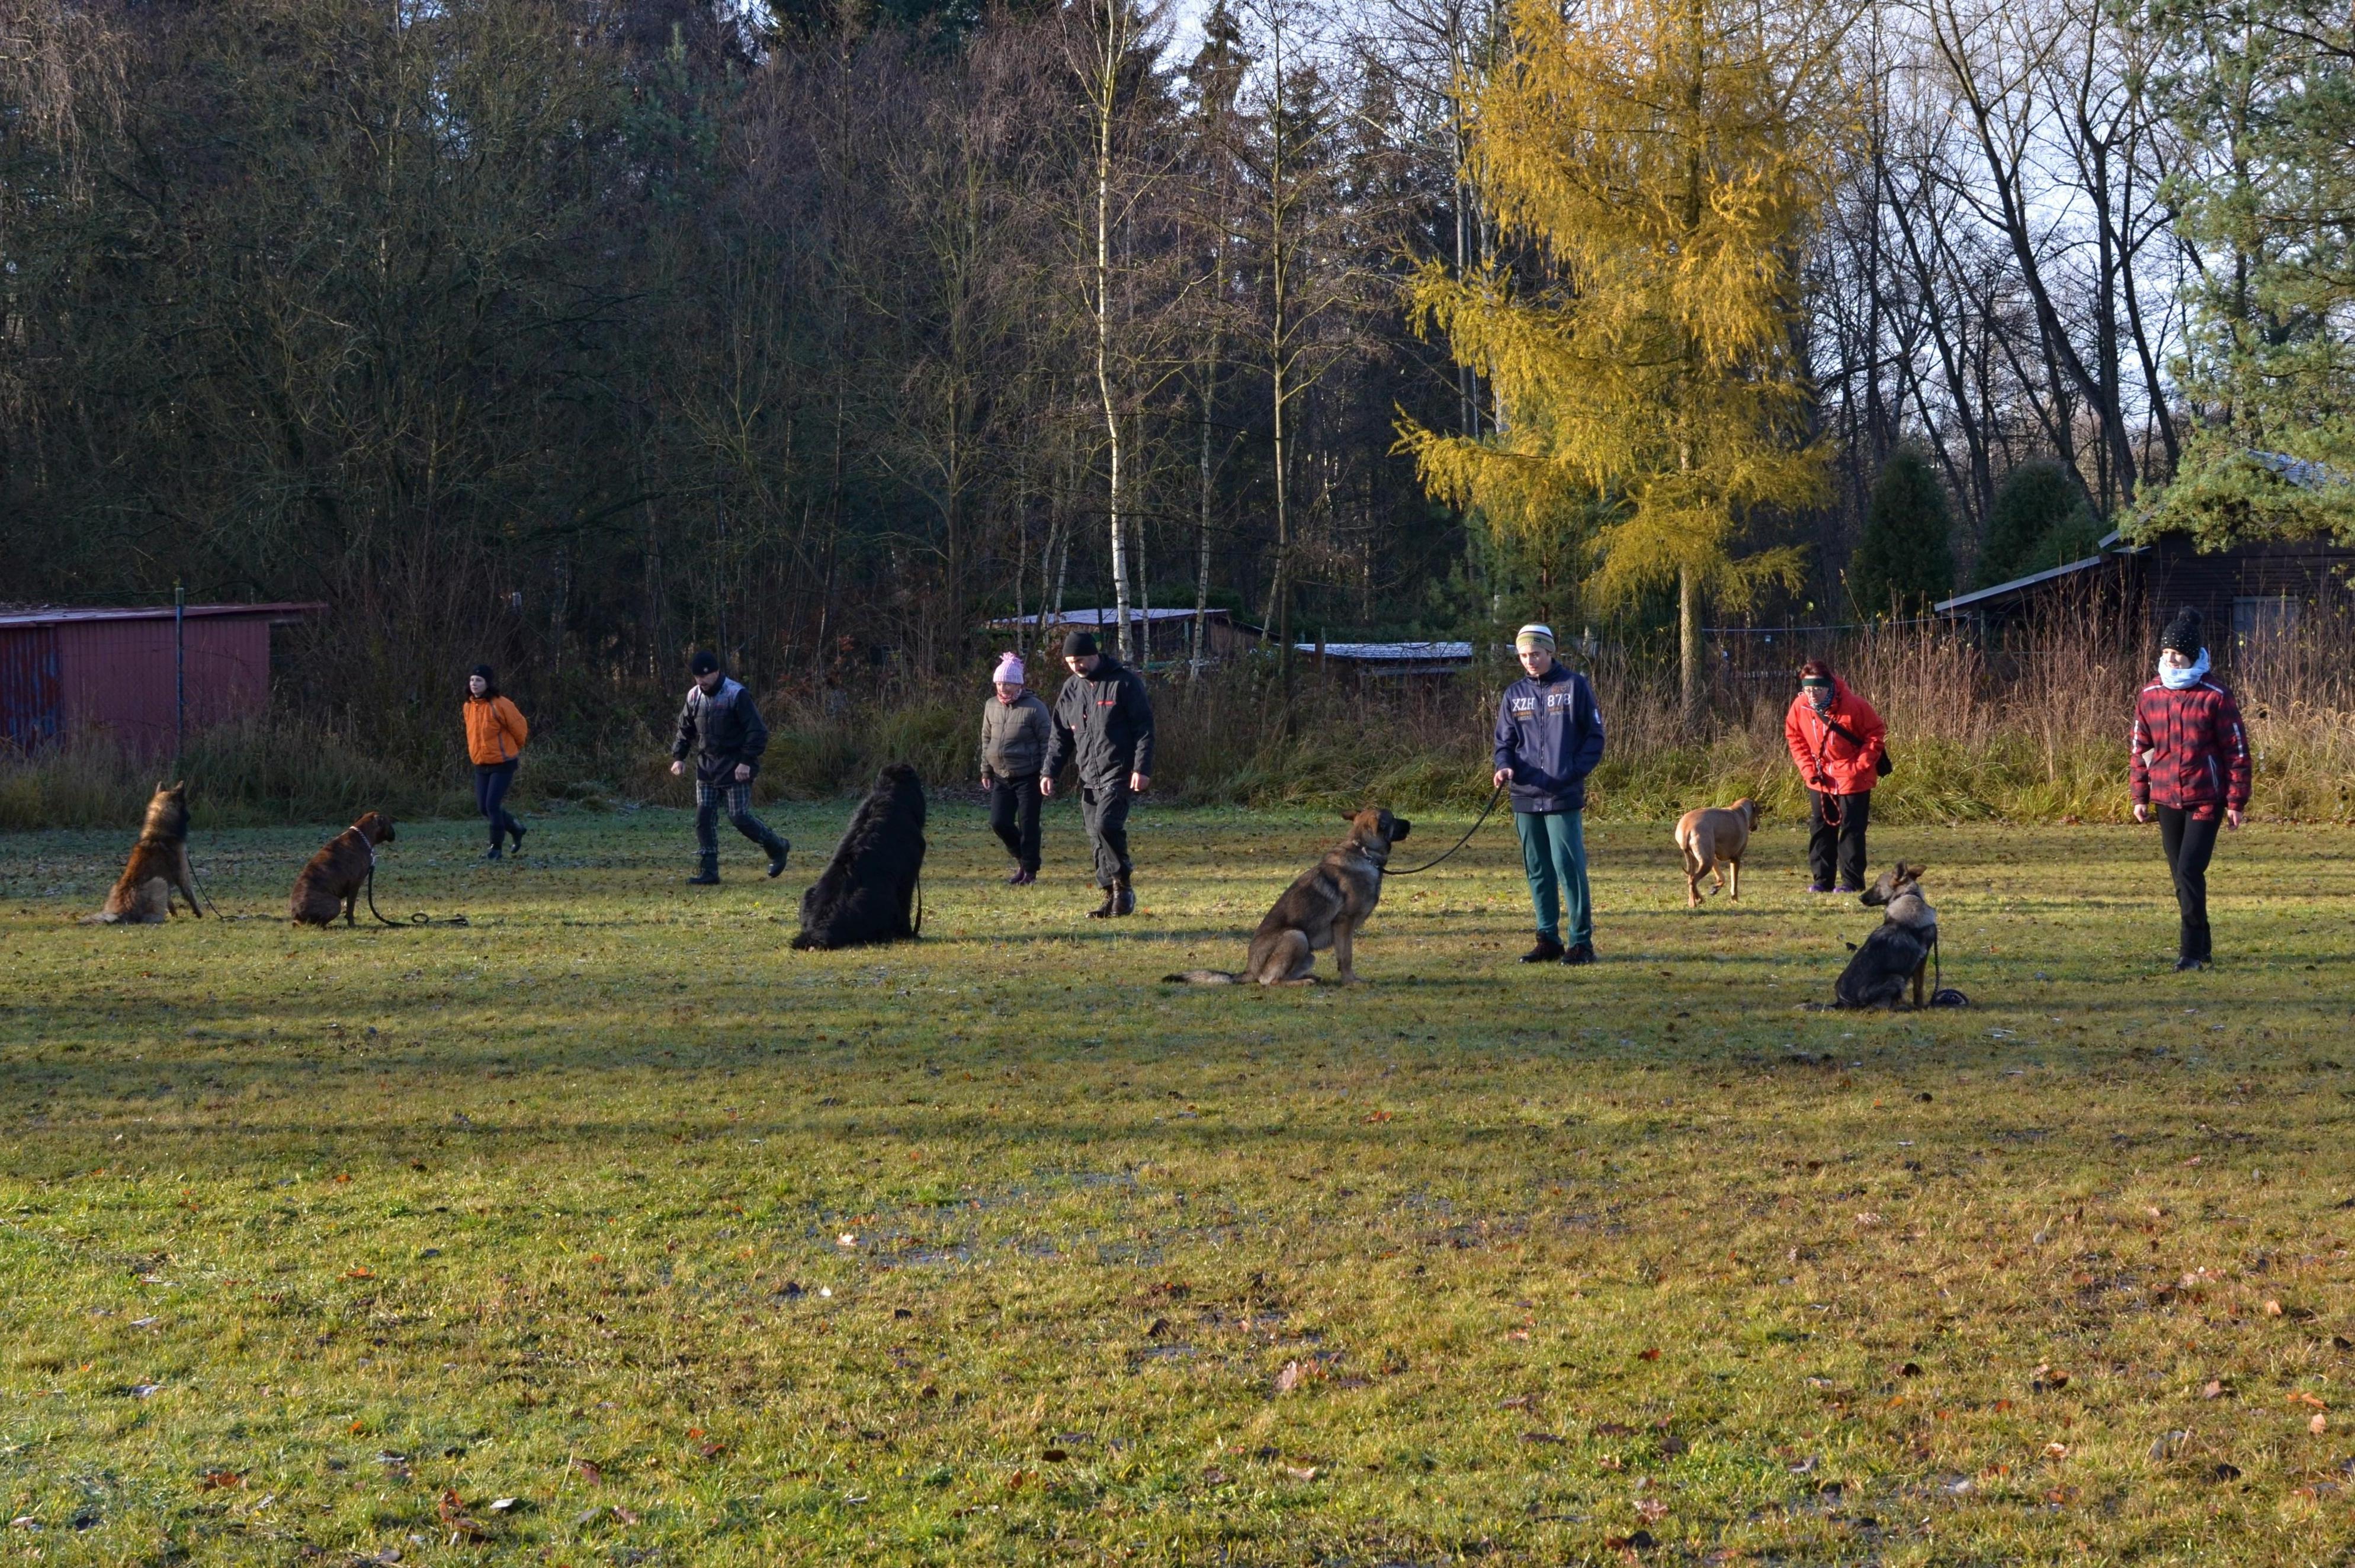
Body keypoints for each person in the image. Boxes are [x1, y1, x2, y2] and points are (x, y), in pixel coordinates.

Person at [2131, 606, 2249, 971]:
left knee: (2189, 872)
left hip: (2206, 798)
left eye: (2176, 654)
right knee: (2180, 877)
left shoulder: (2216, 695)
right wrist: (2140, 794)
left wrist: (2236, 800)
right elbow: (2142, 747)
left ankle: (2190, 954)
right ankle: (2204, 946)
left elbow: (2236, 750)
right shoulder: (2150, 694)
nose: (2169, 660)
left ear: (2194, 656)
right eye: (2165, 653)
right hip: (2166, 797)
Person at [1492, 624, 1606, 965]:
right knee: (1538, 869)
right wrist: (1503, 766)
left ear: (1550, 651)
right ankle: (1548, 939)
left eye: (1536, 654)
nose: (1530, 661)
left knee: (1568, 867)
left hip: (1562, 796)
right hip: (1524, 795)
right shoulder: (1513, 694)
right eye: (1524, 655)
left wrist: (1571, 773)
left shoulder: (1575, 686)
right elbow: (1504, 743)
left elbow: (1595, 738)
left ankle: (1580, 943)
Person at [1041, 629, 1154, 917]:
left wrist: (1141, 769)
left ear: (1095, 654)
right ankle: (1110, 896)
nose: (1076, 667)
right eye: (1070, 662)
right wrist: (1049, 772)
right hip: (1089, 777)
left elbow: (1144, 730)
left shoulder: (1124, 683)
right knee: (1095, 839)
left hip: (1119, 772)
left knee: (1107, 826)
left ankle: (1124, 887)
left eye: (1080, 660)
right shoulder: (1070, 689)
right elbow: (1060, 736)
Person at [669, 650, 790, 885]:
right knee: (704, 816)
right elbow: (685, 729)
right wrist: (679, 757)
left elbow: (757, 732)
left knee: (739, 816)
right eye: (696, 677)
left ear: (716, 672)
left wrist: (746, 761)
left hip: (736, 765)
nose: (700, 681)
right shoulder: (694, 696)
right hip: (707, 766)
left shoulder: (736, 694)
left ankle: (777, 847)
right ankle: (709, 871)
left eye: (704, 676)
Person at [1784, 658, 1886, 894]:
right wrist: (1809, 770)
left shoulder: (1855, 705)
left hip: (1853, 777)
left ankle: (1852, 882)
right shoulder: (1800, 706)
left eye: (1818, 690)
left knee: (1852, 829)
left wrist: (1861, 765)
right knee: (1820, 827)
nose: (1813, 695)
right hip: (1820, 777)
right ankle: (1822, 880)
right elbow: (1795, 737)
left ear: (1829, 686)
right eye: (1808, 690)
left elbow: (1876, 733)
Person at [979, 651, 1053, 885]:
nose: (1003, 688)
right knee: (999, 822)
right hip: (1001, 776)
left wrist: (1046, 773)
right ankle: (1023, 858)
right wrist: (986, 770)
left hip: (1029, 776)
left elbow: (1047, 742)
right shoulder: (991, 706)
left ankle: (1030, 872)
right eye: (999, 683)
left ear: (1019, 684)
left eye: (1008, 683)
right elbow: (986, 738)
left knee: (1028, 823)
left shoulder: (1035, 708)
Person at [463, 664, 530, 860]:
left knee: (492, 805)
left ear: (488, 683)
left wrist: (513, 749)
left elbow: (520, 728)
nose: (474, 684)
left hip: (503, 763)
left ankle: (496, 849)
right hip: (481, 763)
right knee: (483, 808)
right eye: (472, 680)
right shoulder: (468, 706)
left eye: (479, 680)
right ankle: (516, 828)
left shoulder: (500, 704)